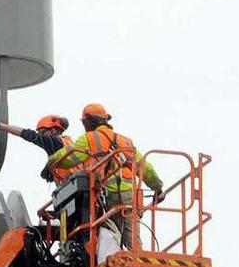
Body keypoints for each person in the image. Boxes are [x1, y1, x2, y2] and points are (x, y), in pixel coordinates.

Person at [48, 104, 165, 249]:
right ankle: (135, 257)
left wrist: (50, 163)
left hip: (106, 197)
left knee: (104, 235)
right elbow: (145, 168)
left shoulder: (90, 138)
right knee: (131, 241)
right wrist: (158, 188)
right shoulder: (124, 141)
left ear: (89, 121)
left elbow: (68, 156)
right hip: (129, 196)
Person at [0, 114, 74, 182]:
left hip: (72, 186)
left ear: (53, 131)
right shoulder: (66, 144)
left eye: (42, 132)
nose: (40, 135)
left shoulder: (55, 142)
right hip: (73, 185)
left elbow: (29, 135)